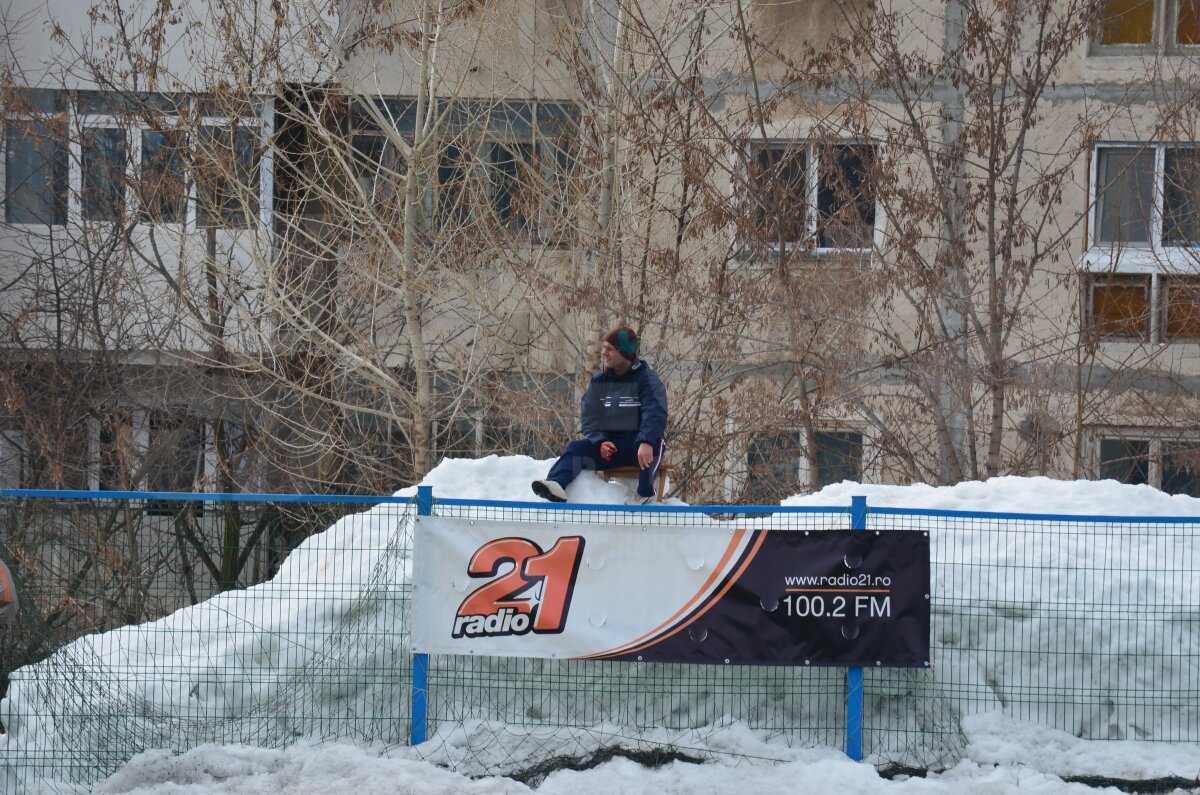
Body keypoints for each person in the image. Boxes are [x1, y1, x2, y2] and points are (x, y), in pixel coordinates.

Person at [532, 326, 668, 504]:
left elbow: (655, 412)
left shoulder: (646, 379)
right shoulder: (599, 380)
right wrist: (600, 440)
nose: (604, 353)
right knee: (576, 448)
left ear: (624, 353)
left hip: (638, 445)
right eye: (603, 348)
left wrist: (646, 441)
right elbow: (590, 416)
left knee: (654, 442)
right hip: (611, 448)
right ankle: (556, 485)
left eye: (609, 349)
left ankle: (645, 493)